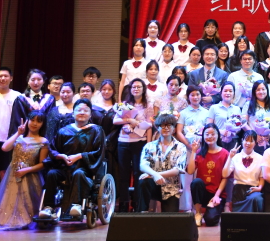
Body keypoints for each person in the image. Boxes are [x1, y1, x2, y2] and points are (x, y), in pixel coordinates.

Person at [0, 111, 49, 231]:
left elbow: (43, 164)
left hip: (30, 177)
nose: (34, 123)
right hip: (13, 176)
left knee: (27, 203)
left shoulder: (43, 141)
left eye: (39, 121)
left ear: (43, 124)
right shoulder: (19, 138)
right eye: (32, 120)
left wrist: (26, 170)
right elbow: (4, 147)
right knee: (10, 200)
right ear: (27, 121)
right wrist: (18, 133)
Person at [38, 99, 105, 219]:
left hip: (85, 169)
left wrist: (79, 156)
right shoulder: (64, 131)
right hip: (65, 168)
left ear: (90, 114)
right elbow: (53, 149)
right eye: (79, 110)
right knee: (52, 174)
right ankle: (49, 207)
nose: (82, 112)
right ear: (73, 113)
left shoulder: (96, 130)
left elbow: (98, 151)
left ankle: (77, 205)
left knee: (78, 173)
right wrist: (61, 156)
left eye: (86, 110)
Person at [113, 78, 154, 212]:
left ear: (143, 89)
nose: (136, 89)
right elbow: (115, 121)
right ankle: (124, 204)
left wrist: (148, 145)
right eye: (133, 87)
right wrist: (129, 120)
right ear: (130, 89)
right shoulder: (125, 104)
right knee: (123, 174)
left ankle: (137, 203)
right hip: (123, 142)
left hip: (140, 143)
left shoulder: (148, 105)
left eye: (139, 87)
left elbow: (149, 126)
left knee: (138, 173)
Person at [137, 113, 188, 212]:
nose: (166, 128)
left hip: (171, 187)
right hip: (153, 184)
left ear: (174, 129)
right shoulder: (149, 146)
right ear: (158, 128)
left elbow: (177, 170)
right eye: (163, 125)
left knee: (170, 219)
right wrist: (154, 176)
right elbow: (143, 165)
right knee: (143, 181)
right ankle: (142, 213)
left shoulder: (180, 147)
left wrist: (156, 175)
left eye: (169, 125)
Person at [188, 123, 229, 226]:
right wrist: (193, 152)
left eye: (213, 134)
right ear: (203, 136)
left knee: (211, 221)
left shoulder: (225, 153)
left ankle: (213, 210)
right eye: (207, 134)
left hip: (217, 194)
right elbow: (190, 171)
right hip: (203, 193)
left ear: (218, 135)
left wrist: (216, 196)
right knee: (196, 182)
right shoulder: (200, 152)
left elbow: (225, 178)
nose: (210, 136)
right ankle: (198, 213)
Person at [176, 85, 210, 211]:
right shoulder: (183, 113)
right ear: (188, 97)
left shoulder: (207, 112)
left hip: (202, 150)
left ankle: (198, 208)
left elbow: (209, 131)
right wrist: (188, 145)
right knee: (186, 178)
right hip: (187, 150)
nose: (195, 97)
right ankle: (187, 207)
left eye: (198, 94)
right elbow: (179, 132)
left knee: (199, 178)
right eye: (192, 95)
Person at [223, 131, 265, 213]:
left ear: (255, 143)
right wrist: (230, 157)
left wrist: (260, 188)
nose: (248, 143)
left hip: (253, 189)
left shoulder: (260, 158)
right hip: (238, 190)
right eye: (246, 140)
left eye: (251, 141)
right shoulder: (235, 157)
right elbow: (225, 174)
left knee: (257, 199)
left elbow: (262, 176)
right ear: (242, 140)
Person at [207, 82, 244, 149]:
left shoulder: (237, 109)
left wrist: (233, 133)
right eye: (225, 91)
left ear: (234, 94)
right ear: (221, 93)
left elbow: (239, 126)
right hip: (218, 140)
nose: (228, 93)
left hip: (233, 141)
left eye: (230, 91)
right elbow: (208, 126)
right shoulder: (214, 108)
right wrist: (221, 131)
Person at [244, 80, 270, 152]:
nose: (261, 92)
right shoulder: (248, 105)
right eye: (258, 90)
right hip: (253, 140)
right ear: (254, 91)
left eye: (263, 89)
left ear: (267, 90)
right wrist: (254, 135)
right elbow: (244, 123)